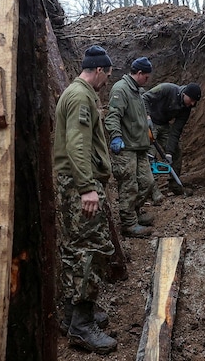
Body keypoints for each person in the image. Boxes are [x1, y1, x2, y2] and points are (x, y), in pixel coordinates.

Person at [52, 45, 118, 354]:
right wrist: (87, 188)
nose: (107, 80)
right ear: (100, 70)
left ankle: (73, 314)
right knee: (88, 252)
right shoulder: (80, 96)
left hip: (74, 183)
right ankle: (81, 327)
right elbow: (77, 146)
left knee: (76, 249)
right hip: (80, 185)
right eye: (108, 73)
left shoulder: (76, 93)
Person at [104, 56, 156, 238]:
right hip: (126, 147)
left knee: (147, 182)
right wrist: (116, 136)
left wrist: (148, 122)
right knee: (129, 186)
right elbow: (113, 116)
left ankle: (135, 212)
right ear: (139, 73)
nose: (147, 81)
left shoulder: (137, 91)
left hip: (140, 145)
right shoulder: (121, 89)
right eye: (146, 77)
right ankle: (128, 223)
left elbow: (141, 113)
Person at [142, 82, 202, 195]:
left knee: (177, 152)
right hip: (149, 122)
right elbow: (144, 98)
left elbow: (176, 131)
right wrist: (147, 116)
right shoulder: (166, 89)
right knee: (149, 155)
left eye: (195, 102)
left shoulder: (186, 108)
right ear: (185, 94)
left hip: (164, 124)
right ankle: (150, 190)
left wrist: (169, 152)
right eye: (192, 99)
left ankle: (175, 185)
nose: (192, 103)